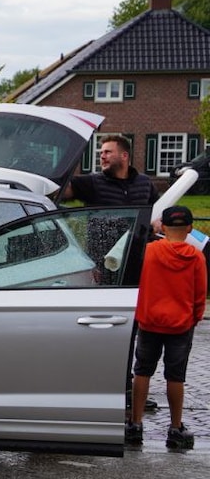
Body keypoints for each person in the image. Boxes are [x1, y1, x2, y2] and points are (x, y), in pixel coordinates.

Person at [62, 135, 161, 411]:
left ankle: (127, 390)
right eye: (101, 152)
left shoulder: (144, 184)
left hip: (138, 269)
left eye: (107, 152)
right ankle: (93, 387)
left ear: (124, 156)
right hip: (103, 271)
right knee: (101, 329)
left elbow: (159, 209)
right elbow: (62, 192)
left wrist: (157, 220)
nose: (102, 156)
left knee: (131, 331)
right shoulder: (92, 183)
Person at [125, 205, 206, 449]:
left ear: (163, 227)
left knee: (142, 371)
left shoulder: (148, 252)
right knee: (175, 376)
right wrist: (194, 318)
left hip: (150, 321)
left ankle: (136, 424)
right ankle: (175, 428)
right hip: (180, 325)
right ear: (190, 229)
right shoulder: (196, 257)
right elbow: (199, 295)